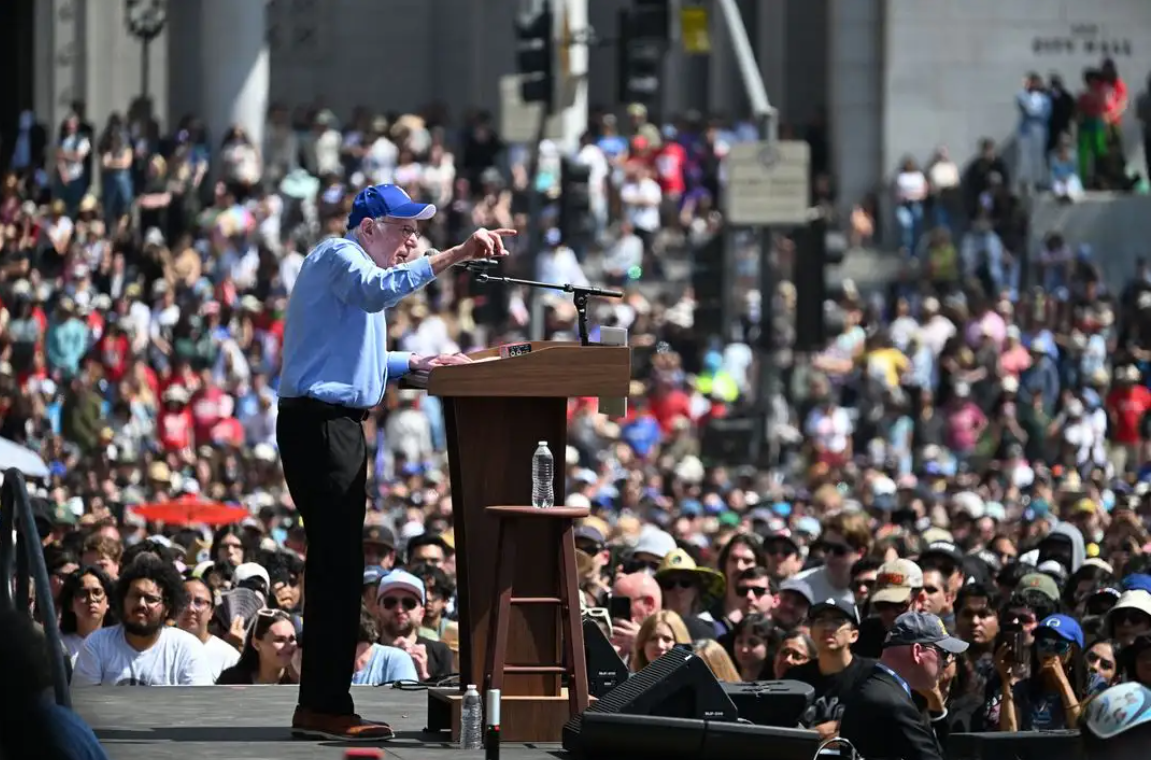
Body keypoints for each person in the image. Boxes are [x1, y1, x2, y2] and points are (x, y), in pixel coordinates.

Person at [276, 183, 514, 741]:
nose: (412, 240)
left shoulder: (354, 272)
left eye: (415, 231)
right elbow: (374, 294)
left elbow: (352, 354)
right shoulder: (341, 257)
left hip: (333, 425)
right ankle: (323, 707)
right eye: (404, 228)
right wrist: (455, 255)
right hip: (321, 426)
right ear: (369, 228)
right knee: (335, 569)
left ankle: (325, 703)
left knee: (338, 566)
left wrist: (413, 361)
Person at [839, 612, 967, 760]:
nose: (944, 663)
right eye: (943, 653)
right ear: (917, 652)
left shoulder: (871, 687)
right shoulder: (894, 704)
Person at [72, 554, 212, 686]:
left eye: (151, 599)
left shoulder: (187, 648)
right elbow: (84, 707)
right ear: (122, 600)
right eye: (135, 596)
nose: (141, 604)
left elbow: (198, 707)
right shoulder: (97, 644)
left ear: (167, 607)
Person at [788, 598, 875, 739]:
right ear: (811, 632)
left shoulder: (872, 675)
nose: (827, 627)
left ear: (854, 635)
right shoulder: (795, 679)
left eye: (838, 621)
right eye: (820, 620)